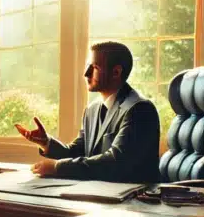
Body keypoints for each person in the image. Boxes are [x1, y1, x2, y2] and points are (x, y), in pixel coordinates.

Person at [15, 41, 160, 183]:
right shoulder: (92, 109)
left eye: (95, 67)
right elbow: (77, 152)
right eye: (88, 66)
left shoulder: (140, 110)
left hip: (133, 196)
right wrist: (46, 143)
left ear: (116, 72)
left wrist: (57, 167)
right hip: (99, 192)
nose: (86, 74)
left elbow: (116, 162)